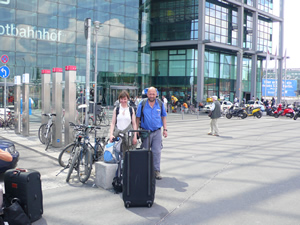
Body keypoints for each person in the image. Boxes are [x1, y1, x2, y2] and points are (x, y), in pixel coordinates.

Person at [136, 87, 167, 180]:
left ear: (156, 94)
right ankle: (144, 170)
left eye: (153, 94)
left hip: (157, 131)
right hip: (146, 131)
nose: (152, 96)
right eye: (150, 94)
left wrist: (165, 129)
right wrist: (136, 130)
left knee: (157, 152)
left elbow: (163, 117)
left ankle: (156, 171)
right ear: (147, 94)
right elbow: (137, 118)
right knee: (145, 151)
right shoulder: (142, 103)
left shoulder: (160, 104)